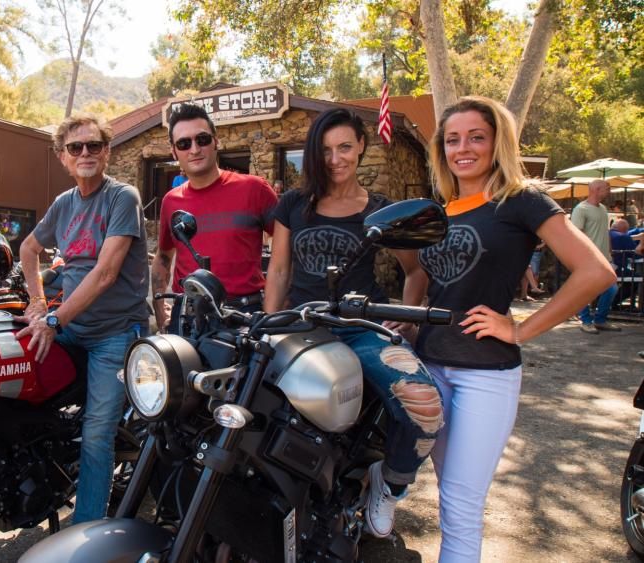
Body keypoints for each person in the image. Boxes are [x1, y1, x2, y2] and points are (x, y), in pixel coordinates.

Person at [416, 96, 614, 562]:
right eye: (452, 140)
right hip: (429, 366)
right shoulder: (445, 208)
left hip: (484, 373)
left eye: (476, 137)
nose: (463, 148)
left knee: (460, 505)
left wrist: (520, 328)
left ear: (497, 142)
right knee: (423, 479)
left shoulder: (521, 200)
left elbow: (596, 272)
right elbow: (439, 286)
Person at [263, 108, 443, 540]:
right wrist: (268, 327)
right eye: (325, 150)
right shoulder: (293, 204)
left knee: (426, 409)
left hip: (363, 328)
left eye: (345, 147)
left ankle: (390, 482)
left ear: (361, 145)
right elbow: (280, 270)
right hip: (302, 327)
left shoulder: (381, 210)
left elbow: (415, 271)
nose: (335, 158)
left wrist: (407, 319)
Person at [16, 113, 149, 523]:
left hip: (115, 333)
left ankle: (85, 532)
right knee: (18, 384)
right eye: (76, 147)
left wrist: (53, 320)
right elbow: (28, 249)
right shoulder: (63, 204)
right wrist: (37, 302)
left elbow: (106, 274)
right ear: (63, 156)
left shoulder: (122, 197)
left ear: (107, 152)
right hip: (71, 327)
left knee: (95, 434)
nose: (85, 153)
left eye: (94, 145)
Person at [151, 103, 278, 330]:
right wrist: (161, 311)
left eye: (202, 139)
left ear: (215, 141)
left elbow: (288, 248)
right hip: (187, 316)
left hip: (244, 315)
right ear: (174, 152)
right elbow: (162, 258)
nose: (194, 149)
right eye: (184, 143)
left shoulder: (255, 189)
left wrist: (272, 309)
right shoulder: (171, 201)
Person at [571, 179, 621, 333]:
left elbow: (605, 231)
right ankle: (586, 321)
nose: (609, 191)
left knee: (611, 289)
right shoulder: (581, 209)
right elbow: (576, 234)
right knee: (585, 290)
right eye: (607, 188)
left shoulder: (603, 208)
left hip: (604, 257)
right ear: (597, 190)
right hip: (588, 258)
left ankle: (600, 320)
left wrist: (609, 251)